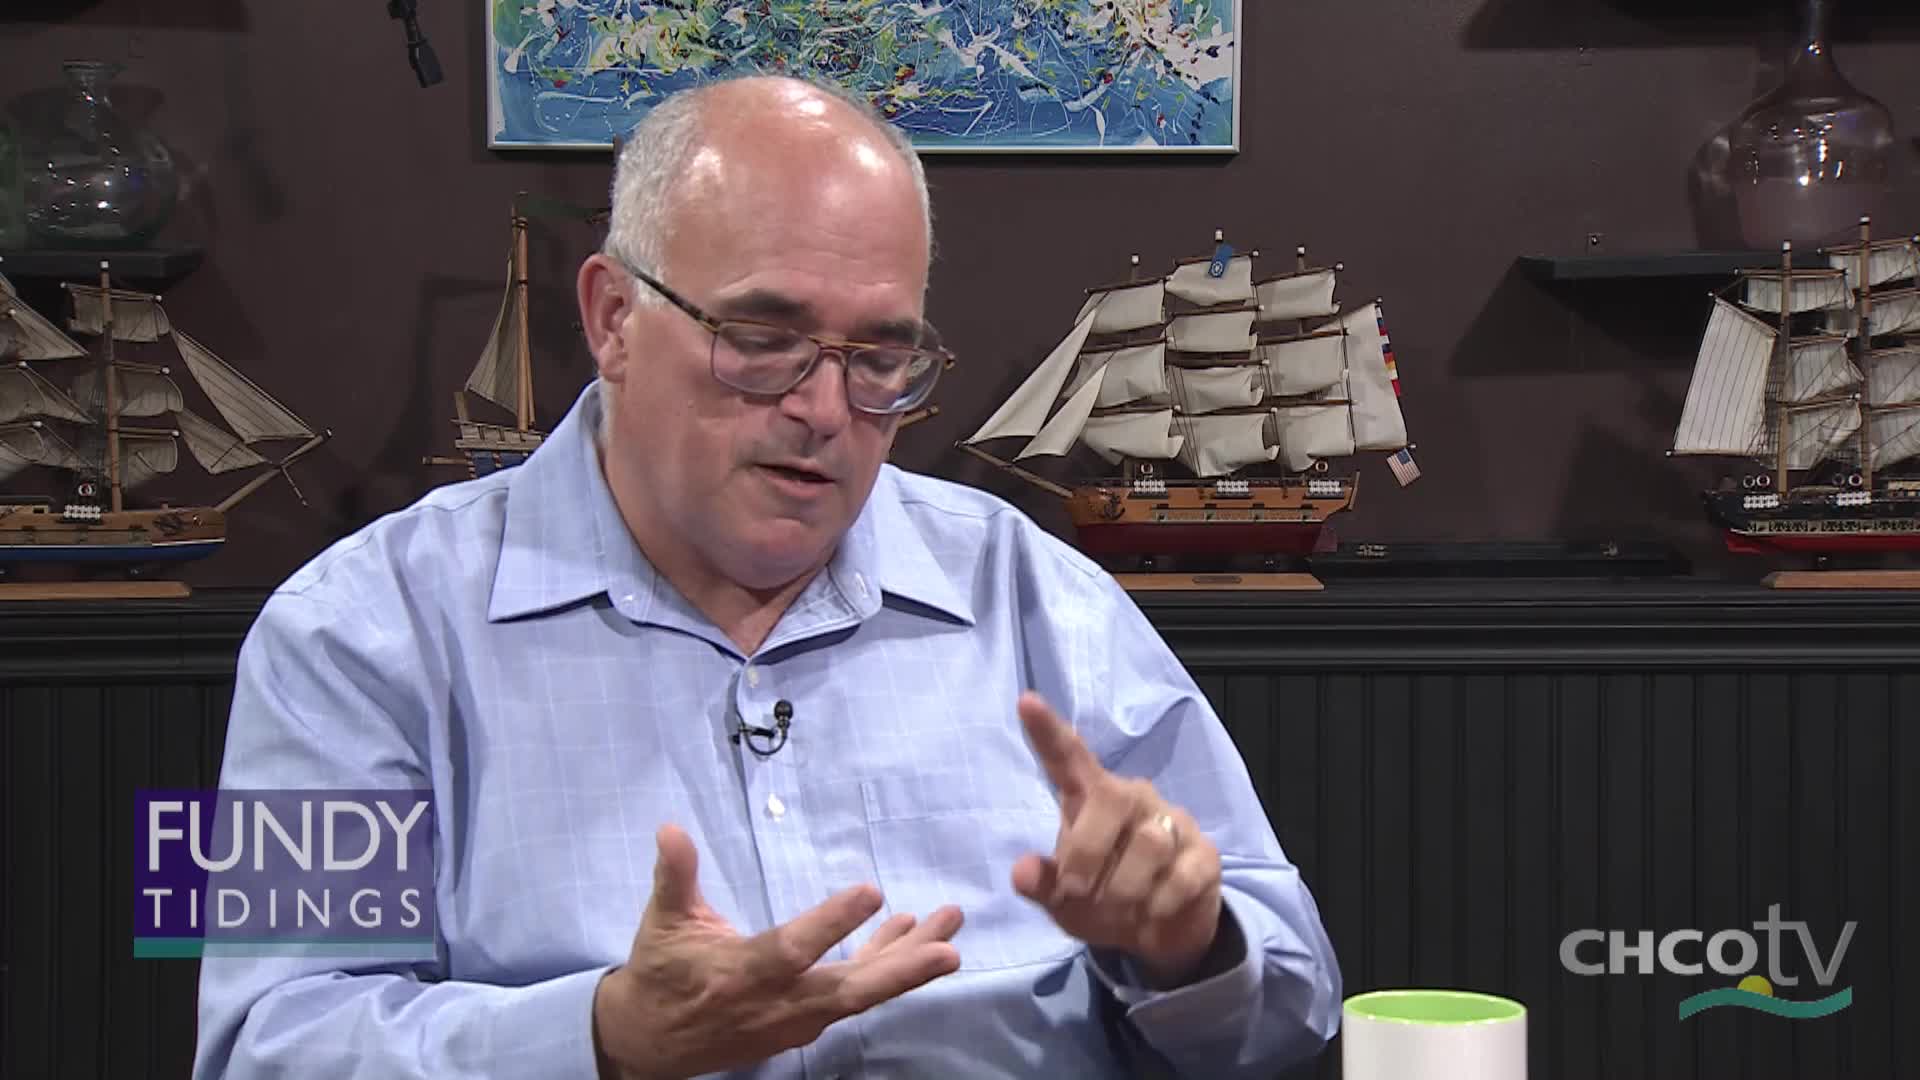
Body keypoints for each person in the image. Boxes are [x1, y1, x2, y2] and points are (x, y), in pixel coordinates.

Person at [194, 74, 1341, 1079]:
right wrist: (600, 1039)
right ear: (611, 319)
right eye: (761, 337)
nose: (825, 408)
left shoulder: (1041, 593)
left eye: (880, 356)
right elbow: (263, 1043)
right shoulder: (341, 635)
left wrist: (1188, 945)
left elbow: (1295, 989)